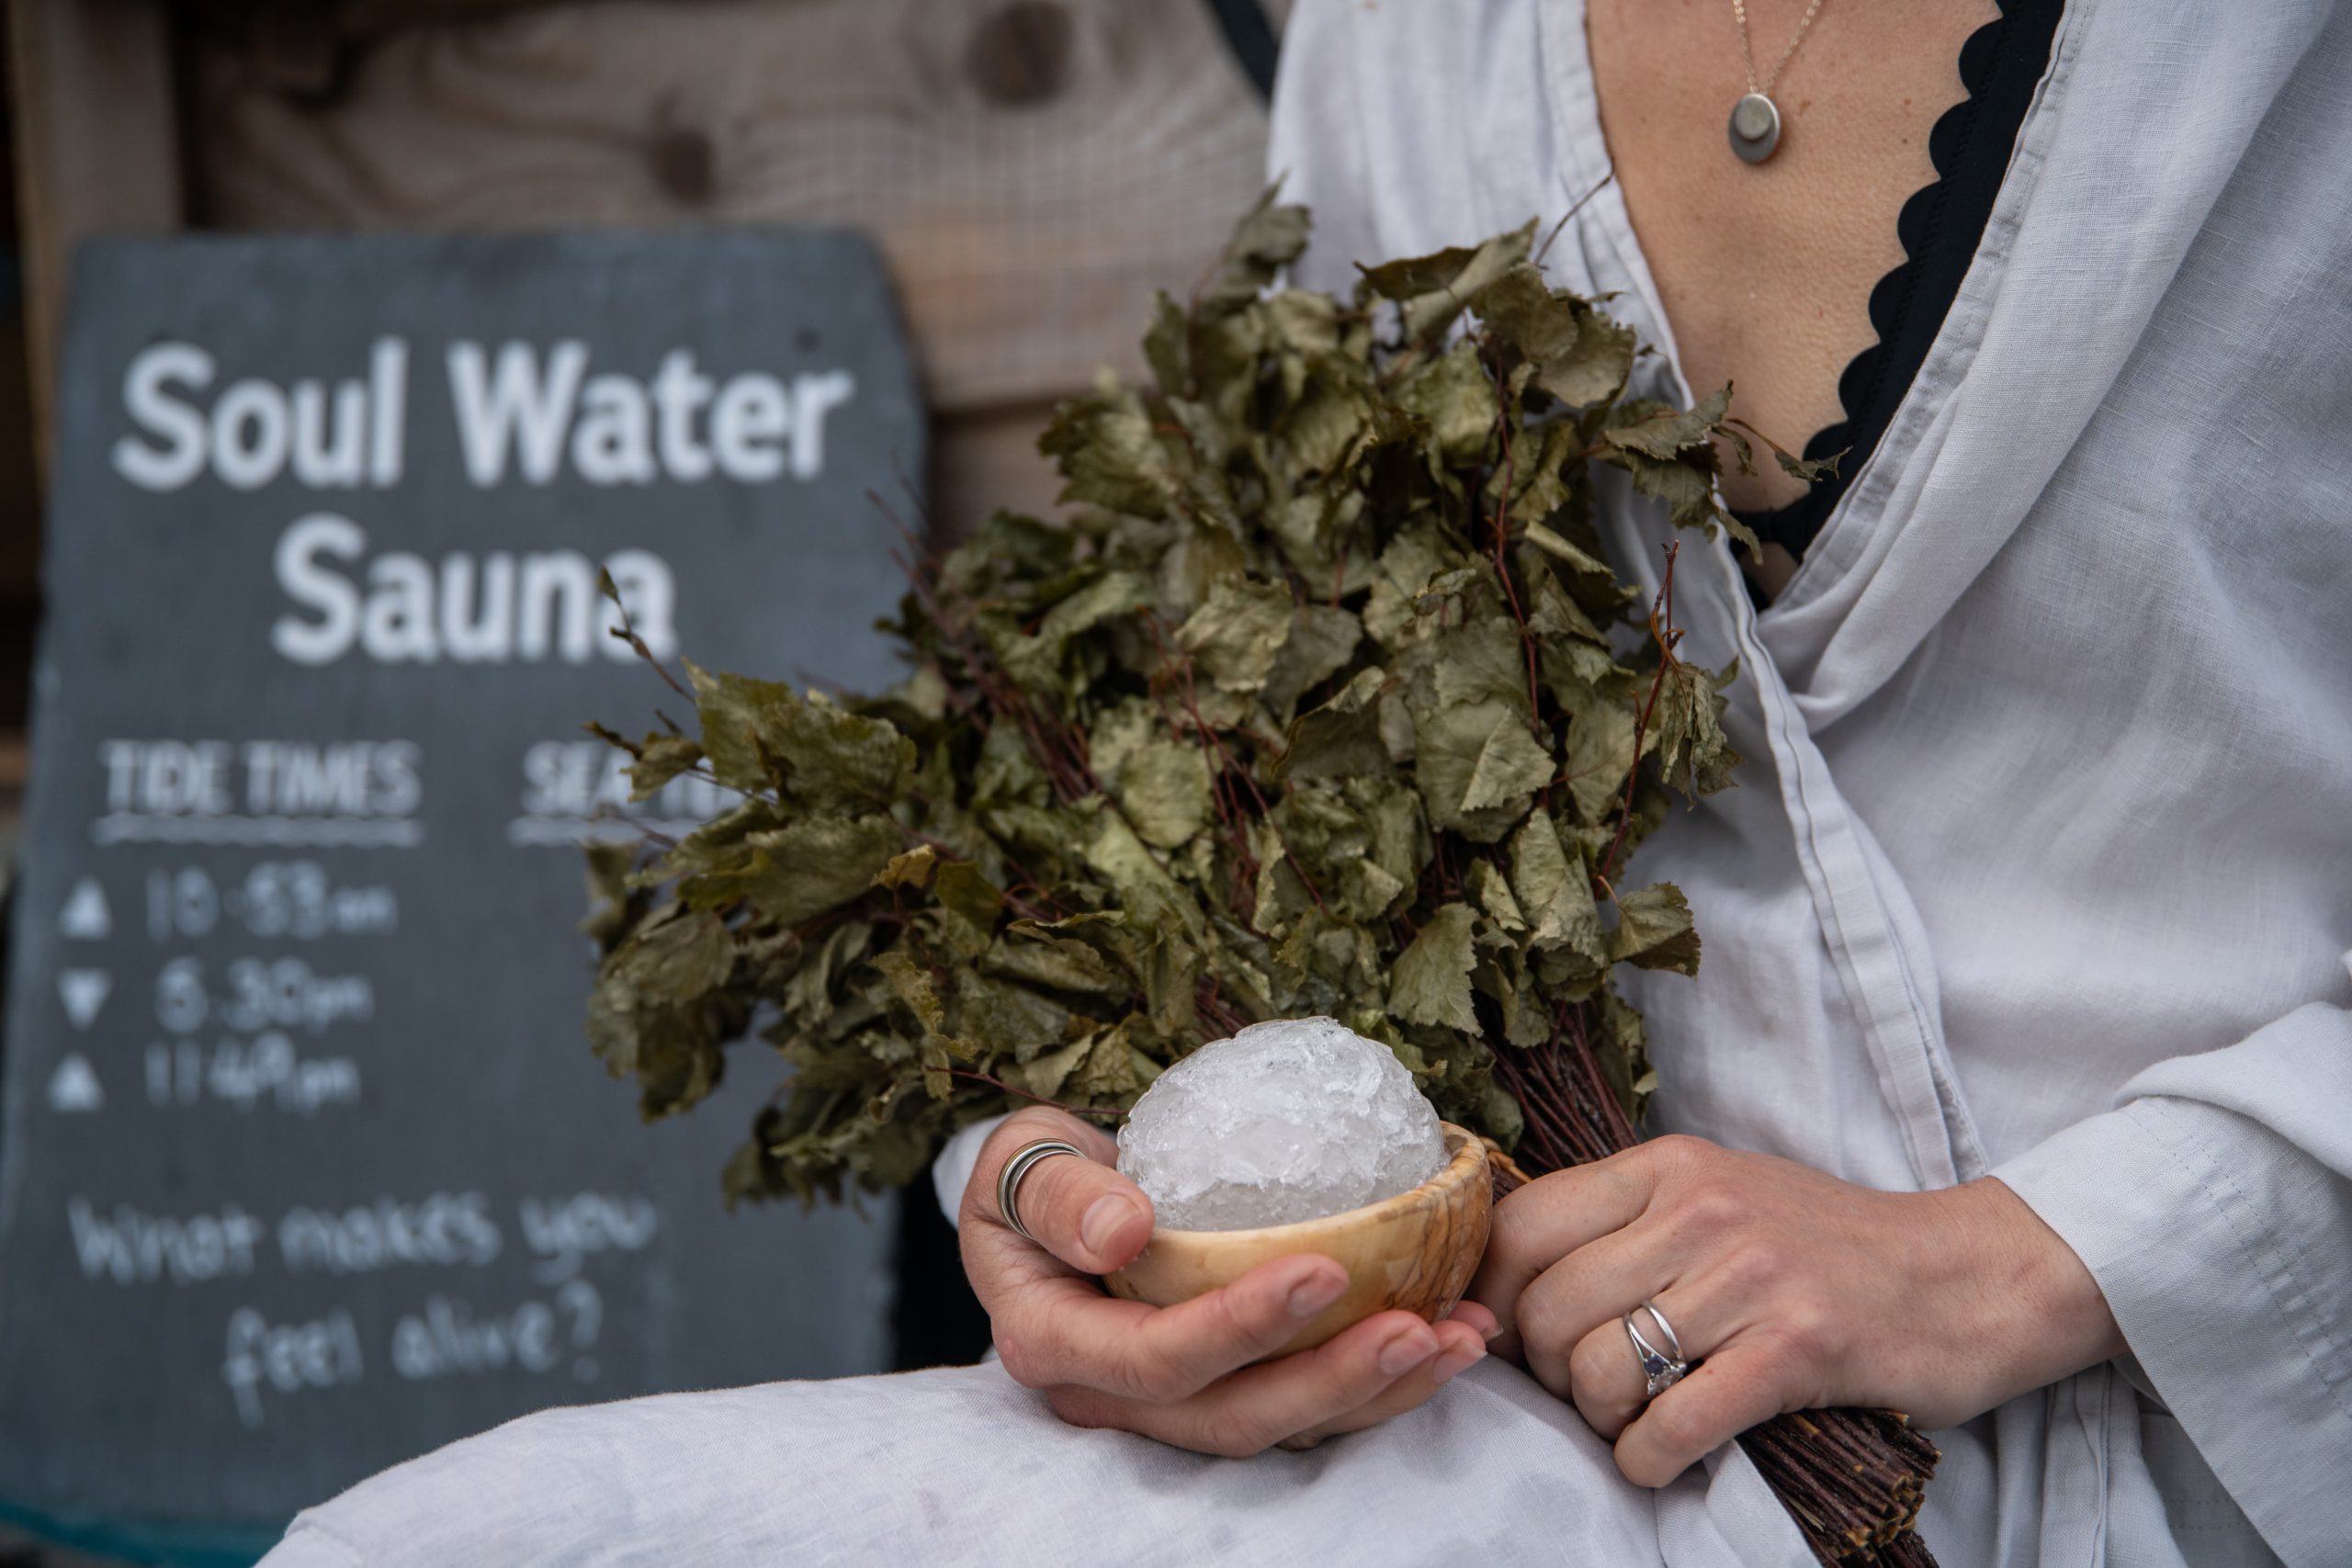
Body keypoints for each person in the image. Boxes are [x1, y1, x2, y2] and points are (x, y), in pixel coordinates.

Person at [260, 2, 2352, 1563]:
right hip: (1529, 1403)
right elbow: (1342, 745)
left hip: (2216, 1422)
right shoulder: (1399, 27)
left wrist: (2023, 1253)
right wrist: (1080, 1200)